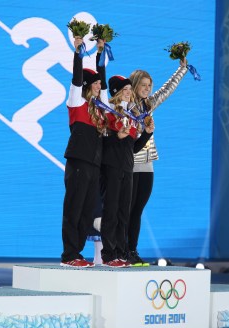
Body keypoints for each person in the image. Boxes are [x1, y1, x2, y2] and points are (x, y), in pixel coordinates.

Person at [127, 58, 188, 266]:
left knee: (138, 210)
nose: (147, 88)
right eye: (143, 85)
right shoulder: (126, 106)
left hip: (148, 164)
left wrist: (182, 69)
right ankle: (121, 250)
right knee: (127, 209)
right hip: (130, 163)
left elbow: (167, 89)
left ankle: (132, 251)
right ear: (134, 85)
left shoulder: (149, 105)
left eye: (148, 85)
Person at [60, 37, 109, 268]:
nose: (100, 86)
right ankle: (69, 254)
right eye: (96, 83)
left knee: (88, 212)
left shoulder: (100, 110)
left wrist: (100, 53)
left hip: (94, 165)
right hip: (78, 161)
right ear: (88, 85)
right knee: (74, 208)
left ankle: (77, 254)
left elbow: (105, 85)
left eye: (100, 83)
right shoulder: (76, 102)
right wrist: (78, 50)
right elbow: (76, 79)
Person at [100, 75, 155, 267]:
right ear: (115, 92)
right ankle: (108, 254)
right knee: (111, 212)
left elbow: (133, 147)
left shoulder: (131, 116)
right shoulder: (108, 113)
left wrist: (147, 133)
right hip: (111, 168)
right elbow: (103, 143)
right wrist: (117, 137)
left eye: (130, 89)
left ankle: (122, 254)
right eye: (125, 89)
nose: (129, 92)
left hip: (127, 168)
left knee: (124, 212)